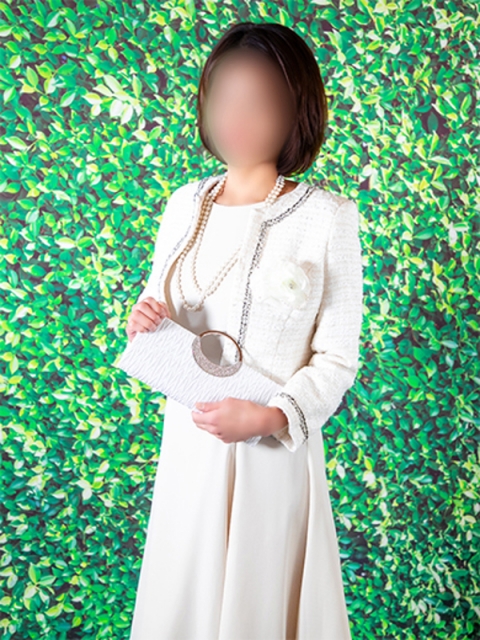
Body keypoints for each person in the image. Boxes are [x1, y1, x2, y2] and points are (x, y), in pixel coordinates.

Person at [125, 21, 363, 640]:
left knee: (258, 607)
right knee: (185, 602)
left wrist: (270, 417)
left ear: (296, 113)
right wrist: (144, 317)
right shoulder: (184, 203)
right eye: (224, 97)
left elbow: (338, 358)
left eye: (258, 101)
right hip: (190, 444)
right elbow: (159, 304)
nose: (237, 116)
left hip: (270, 457)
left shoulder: (328, 216)